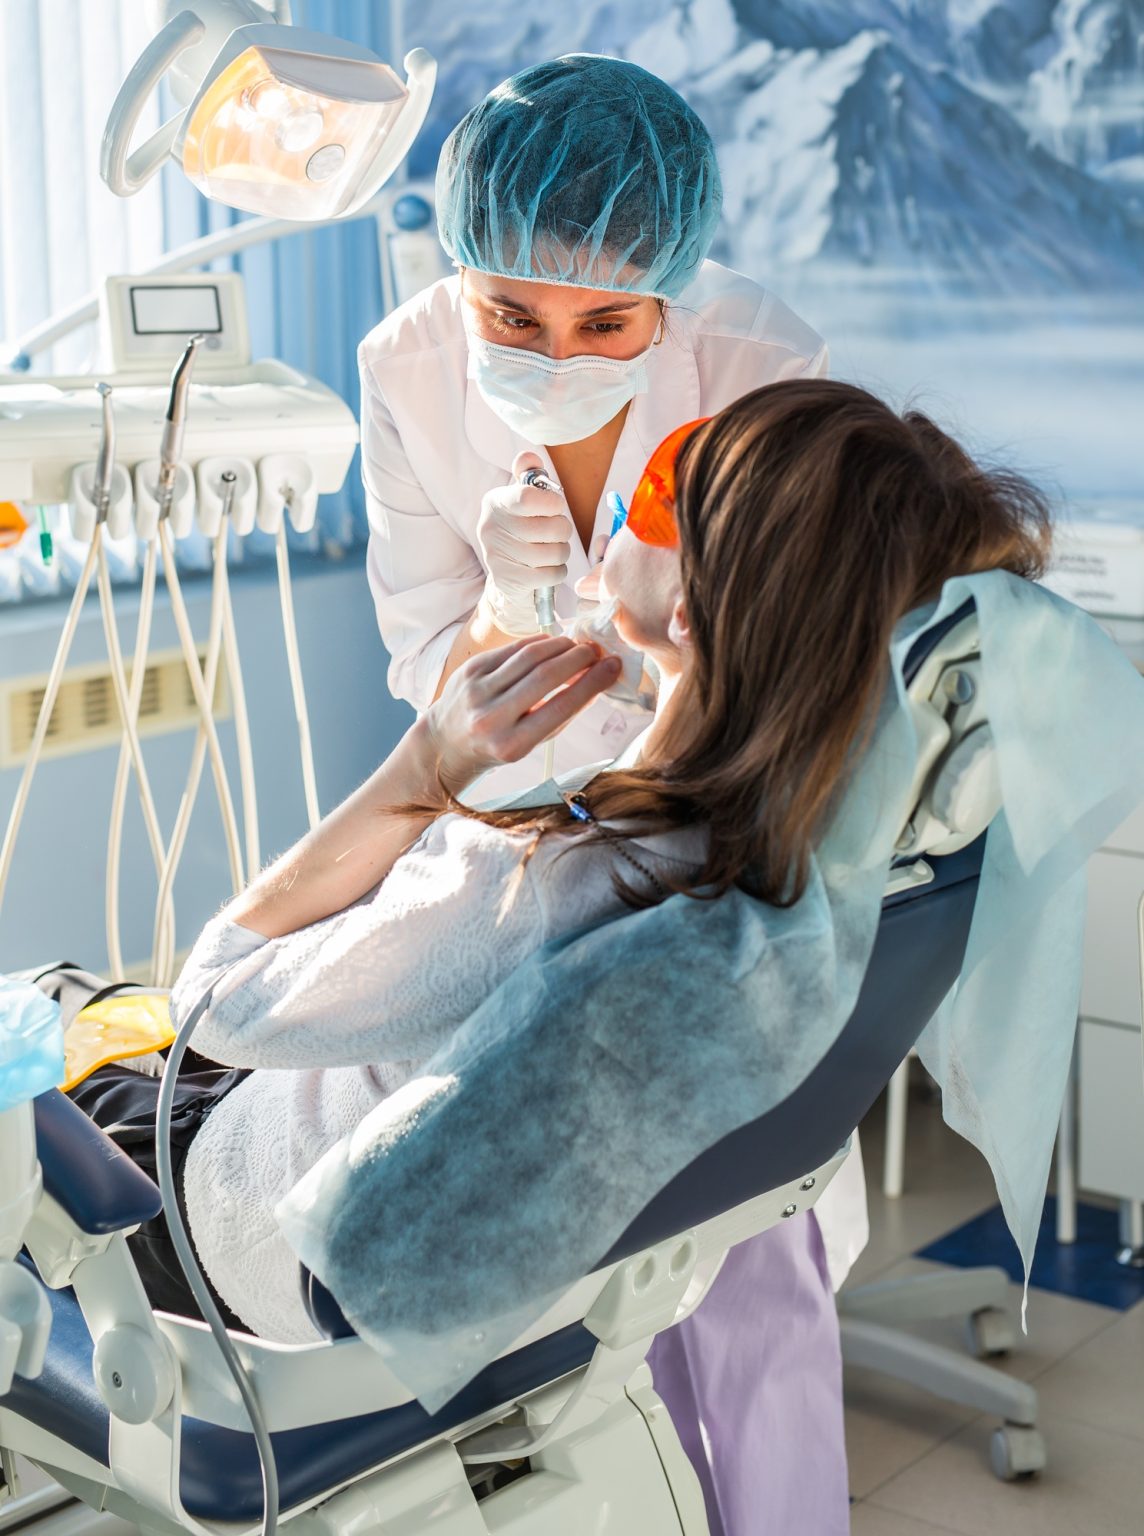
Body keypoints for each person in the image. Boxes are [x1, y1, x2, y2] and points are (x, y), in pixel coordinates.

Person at [71, 379, 1050, 1536]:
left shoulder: (547, 878)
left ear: (693, 615)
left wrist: (424, 769)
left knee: (70, 1026)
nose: (624, 518)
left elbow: (213, 1002)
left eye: (664, 502)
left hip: (236, 1244)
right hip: (534, 1291)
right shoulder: (814, 867)